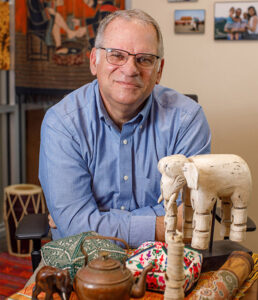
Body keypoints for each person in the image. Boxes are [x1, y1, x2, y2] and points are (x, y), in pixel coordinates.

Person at [39, 9, 211, 249]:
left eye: (144, 59)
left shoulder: (187, 121)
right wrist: (162, 224)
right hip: (81, 260)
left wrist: (95, 218)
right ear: (93, 61)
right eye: (117, 55)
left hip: (166, 259)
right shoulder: (62, 123)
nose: (130, 69)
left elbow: (189, 216)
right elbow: (73, 228)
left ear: (158, 70)